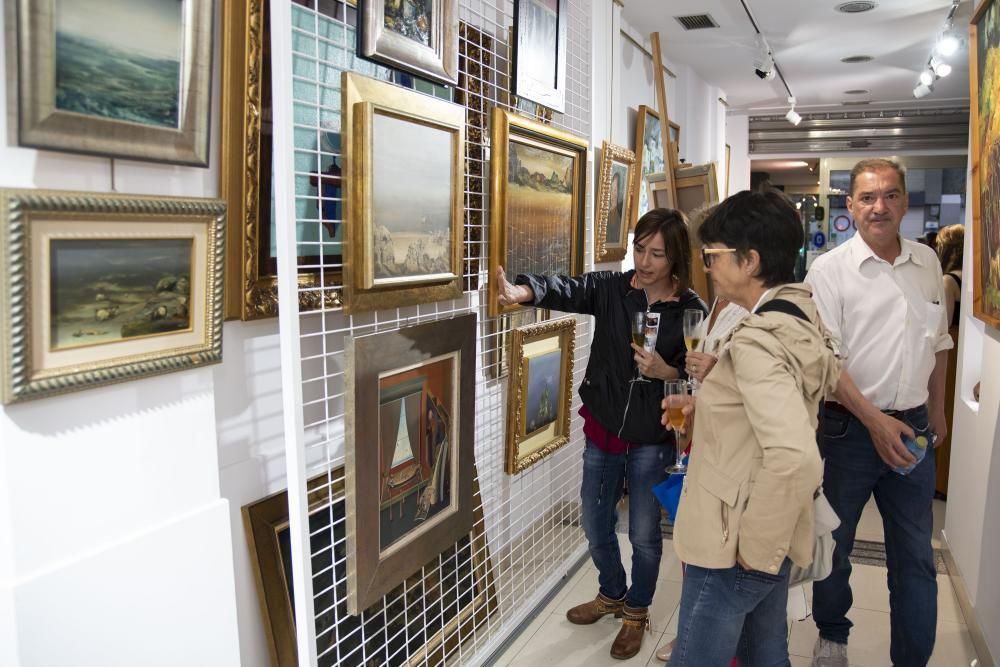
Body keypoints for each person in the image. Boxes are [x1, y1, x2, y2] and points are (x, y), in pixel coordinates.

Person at [496, 208, 707, 660]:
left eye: (657, 253)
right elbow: (570, 288)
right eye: (639, 249)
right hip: (605, 428)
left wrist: (663, 369)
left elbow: (701, 383)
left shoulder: (691, 310)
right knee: (594, 524)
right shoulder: (614, 289)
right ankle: (611, 592)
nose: (645, 261)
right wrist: (524, 290)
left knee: (647, 535)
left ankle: (636, 611)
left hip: (653, 437)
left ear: (675, 260)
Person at [662, 188, 839, 666]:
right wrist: (712, 407)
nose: (708, 265)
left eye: (713, 255)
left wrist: (756, 551)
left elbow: (794, 455)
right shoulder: (796, 312)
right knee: (765, 653)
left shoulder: (759, 340)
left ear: (749, 260)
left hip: (737, 537)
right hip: (772, 523)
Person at [805, 158, 952, 667]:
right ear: (850, 206)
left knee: (915, 558)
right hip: (848, 431)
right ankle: (832, 634)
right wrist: (874, 420)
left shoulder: (928, 264)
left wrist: (936, 410)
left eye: (890, 195)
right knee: (835, 543)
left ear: (905, 202)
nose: (879, 207)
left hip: (912, 429)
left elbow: (939, 343)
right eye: (868, 197)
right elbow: (828, 362)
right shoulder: (827, 271)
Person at [934, 223, 963, 499]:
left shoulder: (948, 281)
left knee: (943, 410)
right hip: (963, 353)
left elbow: (941, 327)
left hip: (951, 356)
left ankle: (940, 480)